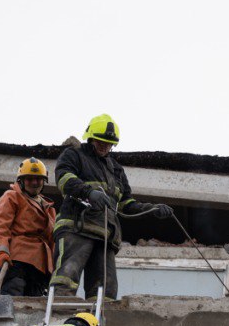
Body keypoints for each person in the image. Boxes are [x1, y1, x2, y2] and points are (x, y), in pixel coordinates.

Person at [50, 114, 174, 299]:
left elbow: (126, 204)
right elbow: (64, 178)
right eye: (101, 141)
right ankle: (58, 320)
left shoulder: (115, 169)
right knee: (66, 277)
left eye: (109, 144)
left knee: (105, 291)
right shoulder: (74, 154)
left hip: (105, 236)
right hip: (77, 229)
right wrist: (88, 192)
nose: (105, 146)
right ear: (91, 138)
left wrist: (152, 209)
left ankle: (95, 325)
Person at [0, 158, 57, 297]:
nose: (34, 183)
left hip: (40, 266)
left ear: (44, 182)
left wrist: (54, 266)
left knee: (33, 307)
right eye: (29, 179)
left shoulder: (49, 209)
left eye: (38, 179)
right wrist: (1, 251)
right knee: (13, 297)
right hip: (17, 259)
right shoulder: (12, 197)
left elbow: (52, 240)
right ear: (21, 181)